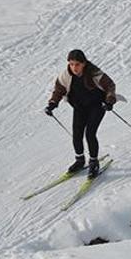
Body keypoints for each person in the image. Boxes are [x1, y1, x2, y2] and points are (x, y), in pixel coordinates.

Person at [45, 49, 116, 179]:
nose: (74, 67)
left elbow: (110, 85)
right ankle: (80, 161)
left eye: (77, 64)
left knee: (90, 133)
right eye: (71, 64)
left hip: (97, 106)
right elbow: (58, 90)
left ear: (83, 63)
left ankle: (94, 162)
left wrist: (109, 101)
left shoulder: (94, 72)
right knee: (77, 134)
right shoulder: (65, 75)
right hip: (80, 107)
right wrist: (52, 104)